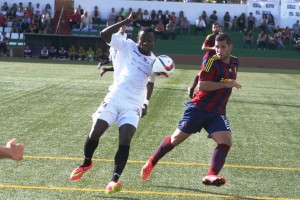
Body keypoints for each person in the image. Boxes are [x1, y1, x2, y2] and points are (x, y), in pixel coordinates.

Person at [70, 11, 157, 195]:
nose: (146, 43)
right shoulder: (127, 46)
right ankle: (86, 162)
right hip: (115, 96)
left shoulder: (154, 62)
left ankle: (114, 180)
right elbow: (104, 35)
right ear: (138, 39)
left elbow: (150, 83)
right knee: (95, 132)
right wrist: (126, 21)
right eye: (143, 39)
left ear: (153, 42)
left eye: (149, 40)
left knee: (125, 140)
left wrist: (146, 103)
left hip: (133, 104)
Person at [141, 33, 241, 188]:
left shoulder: (235, 62)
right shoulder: (210, 61)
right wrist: (227, 84)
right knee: (175, 140)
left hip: (217, 112)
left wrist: (227, 82)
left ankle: (211, 174)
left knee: (226, 142)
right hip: (198, 109)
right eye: (217, 47)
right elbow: (203, 85)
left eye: (223, 47)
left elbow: (225, 79)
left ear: (230, 47)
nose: (219, 50)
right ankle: (151, 162)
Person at [188, 23, 220, 99]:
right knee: (203, 75)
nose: (216, 28)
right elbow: (203, 47)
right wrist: (213, 48)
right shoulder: (210, 37)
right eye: (214, 27)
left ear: (219, 28)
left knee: (215, 75)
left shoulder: (221, 37)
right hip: (209, 58)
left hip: (217, 59)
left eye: (217, 27)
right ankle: (193, 89)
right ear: (212, 29)